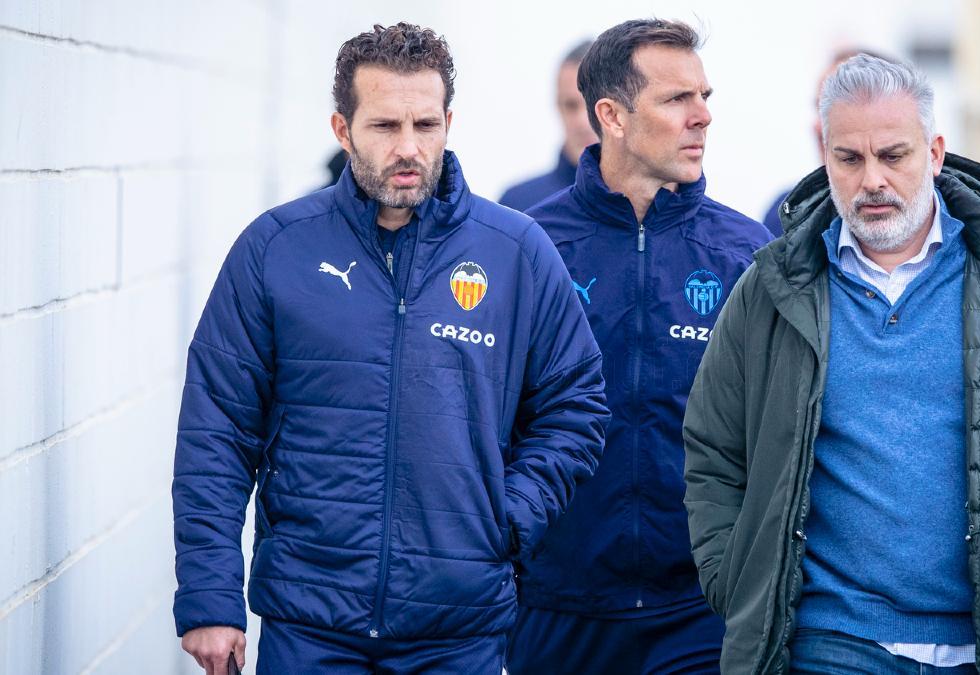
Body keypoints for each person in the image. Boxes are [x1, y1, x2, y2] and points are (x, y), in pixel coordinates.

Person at [172, 22, 609, 675]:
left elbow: (575, 408)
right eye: (384, 127)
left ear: (448, 122)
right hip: (310, 626)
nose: (408, 147)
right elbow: (217, 431)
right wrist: (210, 597)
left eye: (425, 125)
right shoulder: (275, 249)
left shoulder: (516, 252)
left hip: (457, 631)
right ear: (342, 129)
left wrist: (505, 516)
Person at [683, 54, 980, 674]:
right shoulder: (771, 290)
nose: (871, 179)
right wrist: (734, 576)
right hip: (828, 643)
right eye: (849, 158)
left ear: (935, 152)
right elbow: (713, 447)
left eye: (893, 155)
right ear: (826, 157)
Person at [506, 19, 771, 675]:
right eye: (677, 99)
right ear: (612, 116)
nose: (702, 116)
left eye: (705, 96)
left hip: (699, 610)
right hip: (556, 607)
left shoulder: (748, 255)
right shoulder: (528, 246)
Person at [761, 48, 889, 237]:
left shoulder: (937, 218)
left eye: (833, 111)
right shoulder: (787, 213)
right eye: (818, 108)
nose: (817, 126)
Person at [498, 40, 599, 212]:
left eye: (593, 105)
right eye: (571, 105)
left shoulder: (646, 203)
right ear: (557, 107)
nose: (583, 121)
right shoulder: (517, 206)